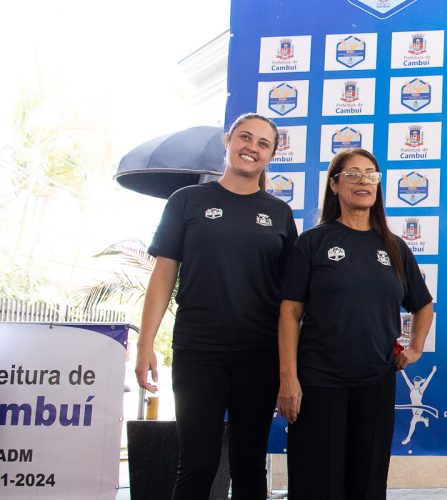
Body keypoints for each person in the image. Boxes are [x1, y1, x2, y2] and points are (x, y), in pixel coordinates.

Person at [138, 112, 295, 499]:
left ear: (271, 156)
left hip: (259, 354)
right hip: (198, 350)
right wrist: (145, 344)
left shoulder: (279, 213)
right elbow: (163, 275)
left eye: (263, 144)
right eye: (245, 137)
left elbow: (290, 299)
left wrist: (289, 366)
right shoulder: (187, 201)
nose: (252, 147)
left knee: (249, 465)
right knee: (197, 464)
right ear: (228, 141)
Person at [276, 148, 435, 500]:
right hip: (319, 381)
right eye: (352, 174)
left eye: (371, 174)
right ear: (334, 185)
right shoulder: (313, 242)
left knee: (367, 484)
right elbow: (289, 313)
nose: (363, 180)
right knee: (317, 484)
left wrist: (415, 348)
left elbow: (423, 305)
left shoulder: (394, 247)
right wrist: (288, 377)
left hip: (375, 382)